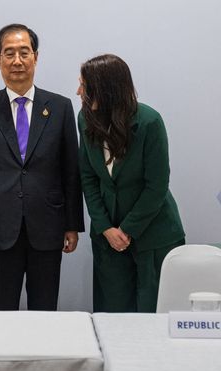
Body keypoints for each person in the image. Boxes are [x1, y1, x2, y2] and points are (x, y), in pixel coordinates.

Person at [0, 24, 84, 311]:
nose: (17, 61)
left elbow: (71, 172)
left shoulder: (60, 107)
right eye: (9, 54)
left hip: (48, 227)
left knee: (45, 310)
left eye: (24, 53)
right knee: (0, 311)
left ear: (36, 57)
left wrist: (72, 224)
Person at [77, 54, 185, 312]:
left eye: (84, 85)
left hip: (153, 235)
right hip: (108, 236)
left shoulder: (149, 122)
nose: (78, 91)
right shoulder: (85, 119)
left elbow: (156, 186)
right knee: (113, 316)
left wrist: (126, 230)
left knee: (153, 314)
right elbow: (88, 177)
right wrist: (105, 228)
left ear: (105, 89)